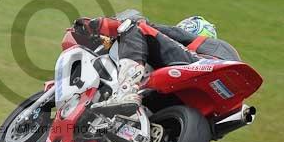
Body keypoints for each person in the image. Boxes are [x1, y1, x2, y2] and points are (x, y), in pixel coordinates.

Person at [71, 10, 240, 114]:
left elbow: (149, 27)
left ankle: (125, 90)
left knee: (135, 26)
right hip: (212, 99)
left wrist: (97, 24)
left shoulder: (201, 44)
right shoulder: (219, 53)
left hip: (201, 65)